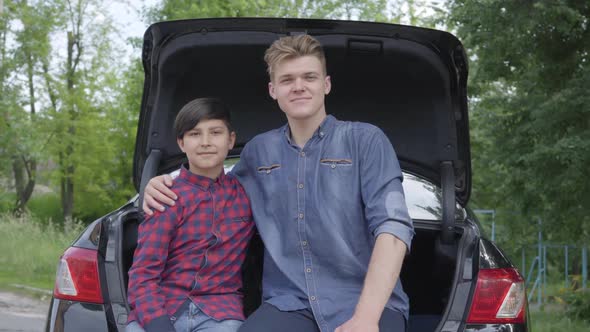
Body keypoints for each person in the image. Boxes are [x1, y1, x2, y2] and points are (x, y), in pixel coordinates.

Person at [143, 35, 414, 332]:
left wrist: (365, 319)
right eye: (287, 80)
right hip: (290, 303)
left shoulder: (365, 140)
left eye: (309, 77)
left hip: (367, 301)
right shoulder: (259, 151)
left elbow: (393, 229)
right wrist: (162, 183)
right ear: (273, 90)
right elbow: (214, 191)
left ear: (326, 84)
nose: (298, 86)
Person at [127, 98, 255, 332]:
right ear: (181, 143)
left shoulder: (247, 194)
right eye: (195, 134)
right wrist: (158, 323)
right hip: (162, 308)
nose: (205, 142)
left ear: (231, 140)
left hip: (220, 313)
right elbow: (143, 275)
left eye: (215, 132)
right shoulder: (165, 196)